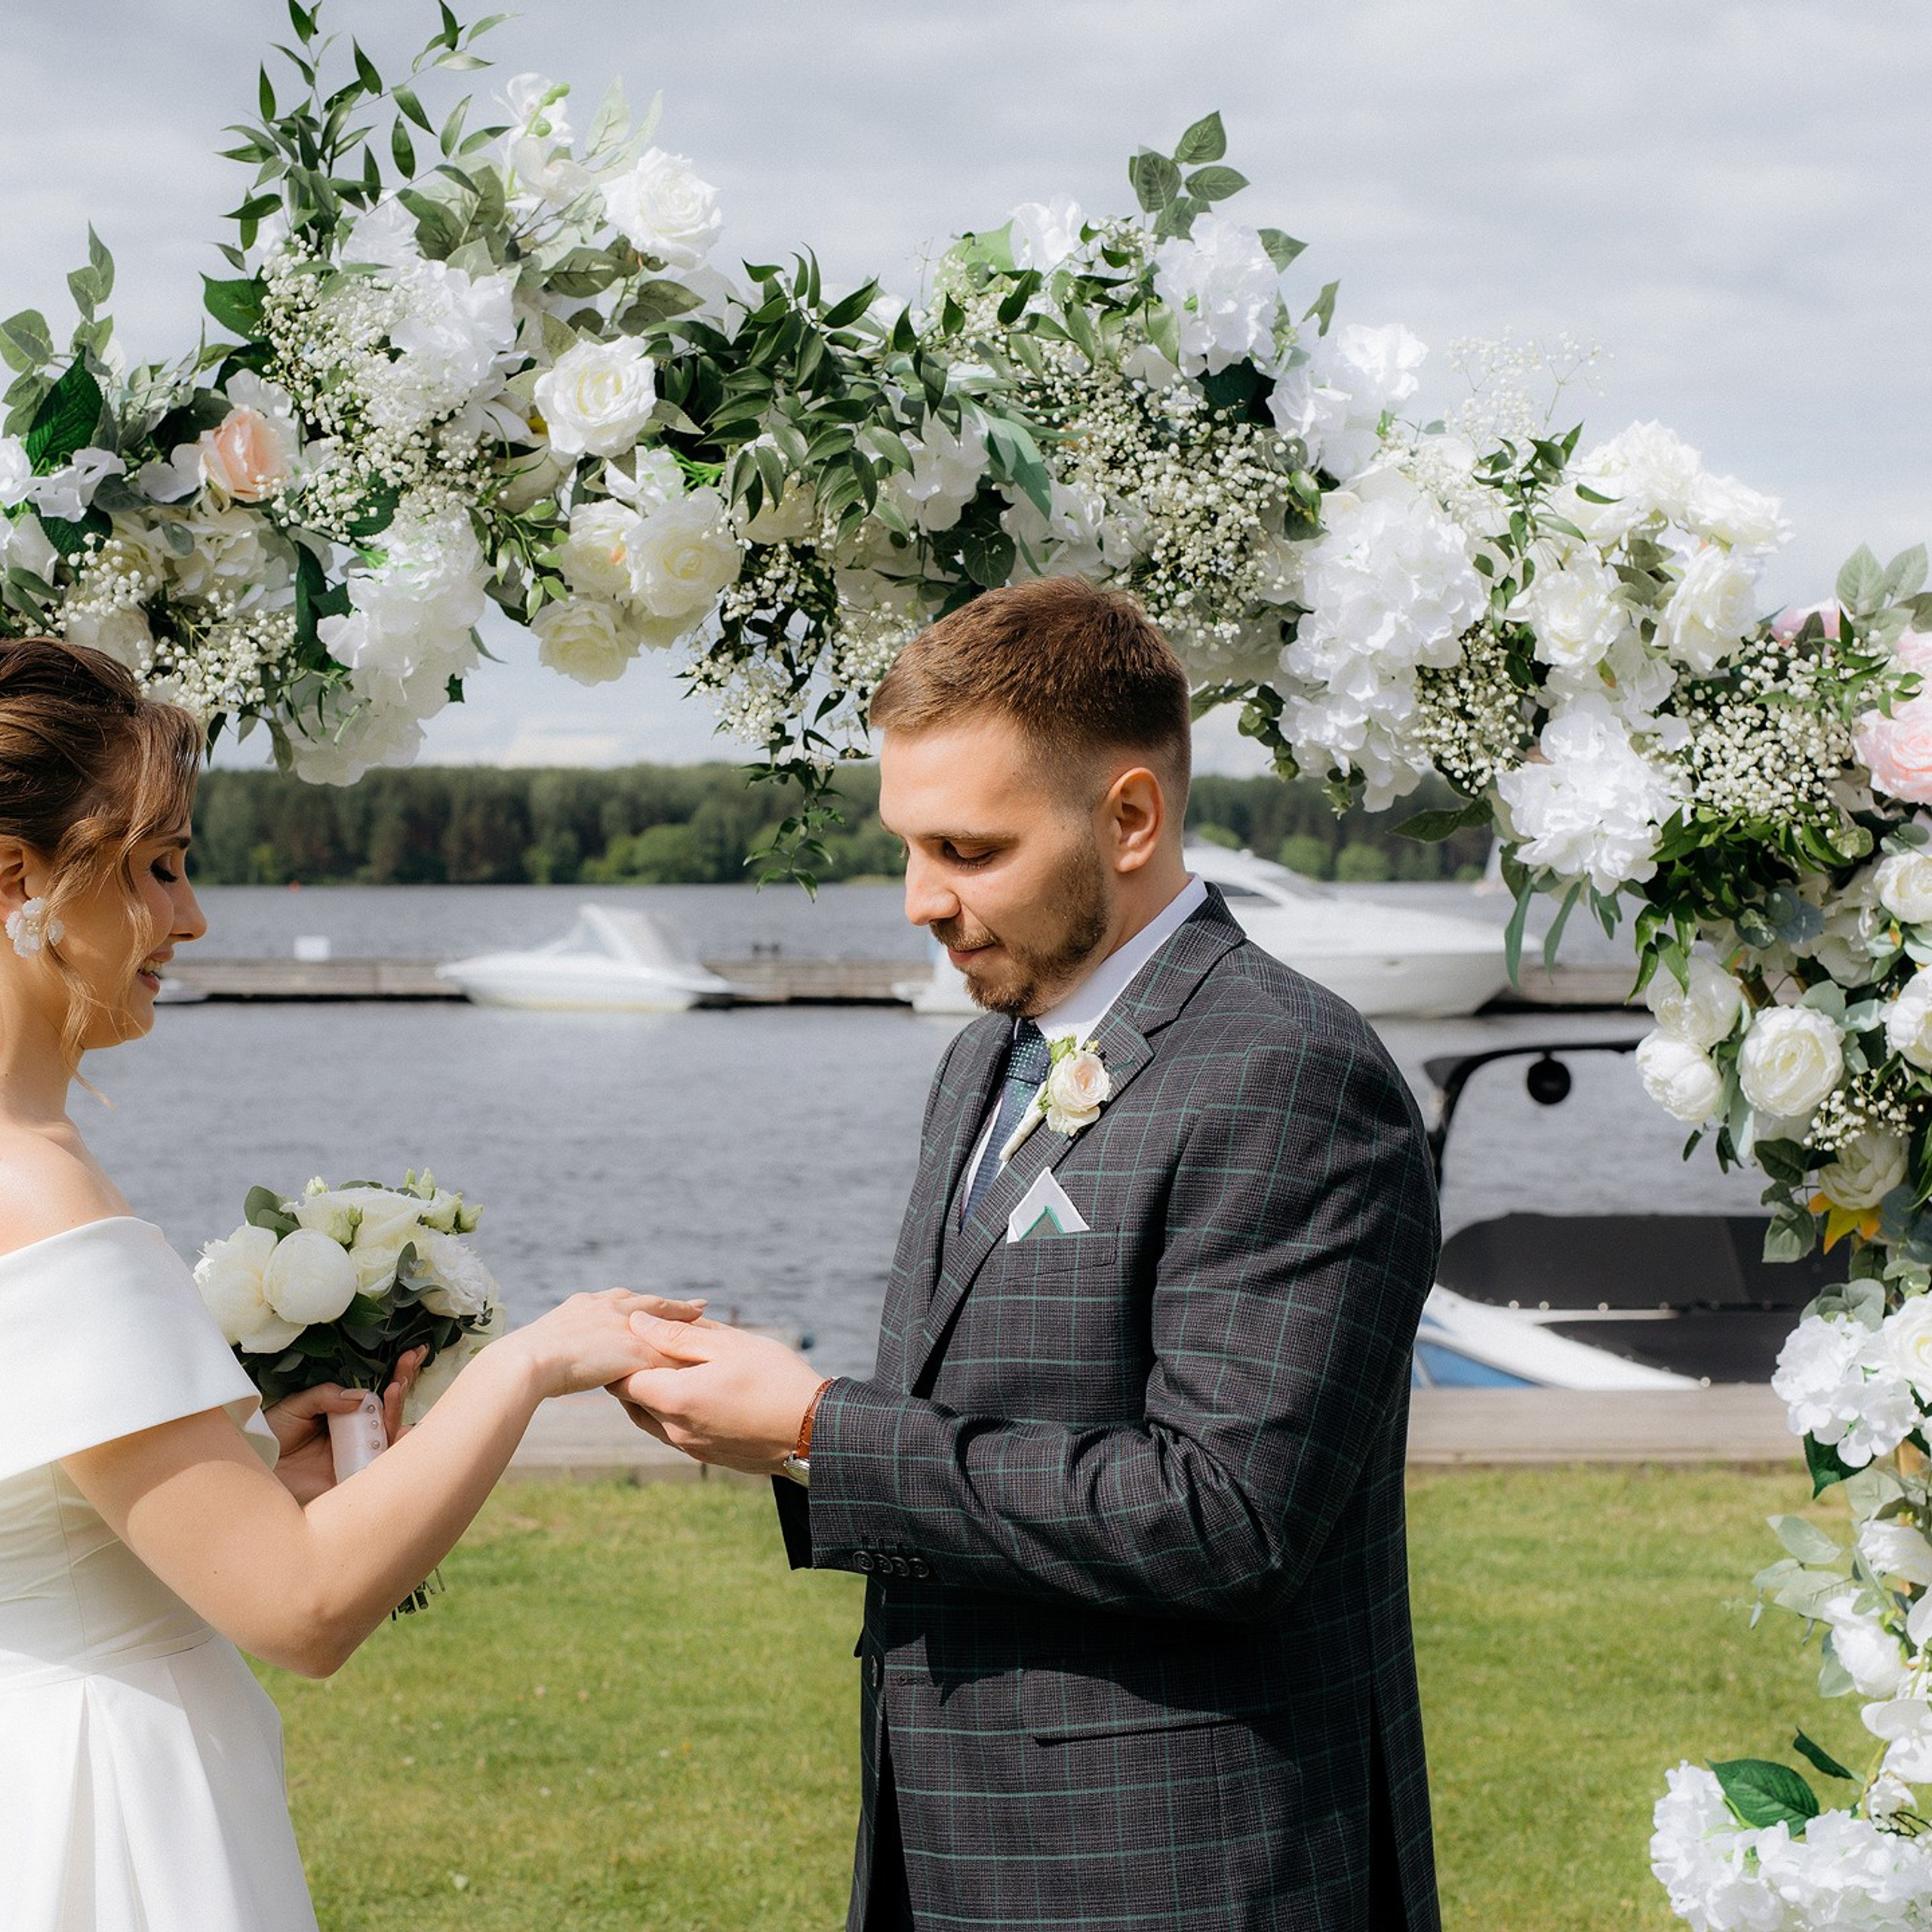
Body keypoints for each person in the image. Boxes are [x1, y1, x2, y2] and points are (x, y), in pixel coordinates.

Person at [616, 576, 1444, 1930]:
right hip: (958, 1844)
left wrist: (826, 1430)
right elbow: (988, 1418)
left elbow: (1228, 1520)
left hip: (1185, 1867)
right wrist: (775, 1435)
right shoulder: (982, 1059)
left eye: (968, 850)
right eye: (907, 847)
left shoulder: (1293, 1071)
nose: (917, 902)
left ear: (1129, 817)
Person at [0, 635, 694, 1932]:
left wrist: (259, 1484)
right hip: (114, 1801)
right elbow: (303, 1609)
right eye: (157, 869)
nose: (192, 916)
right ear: (16, 876)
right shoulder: (41, 1198)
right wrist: (541, 1360)